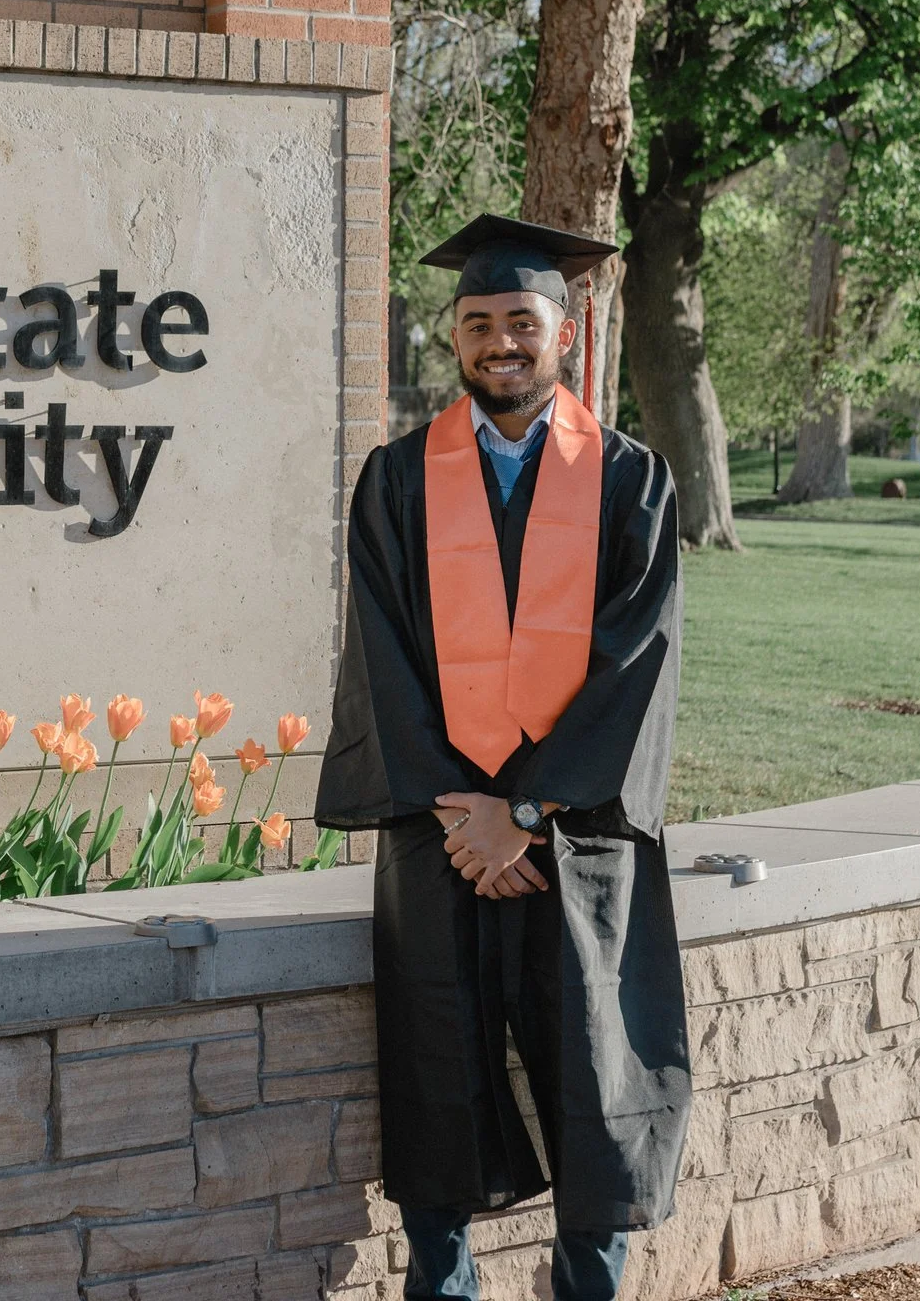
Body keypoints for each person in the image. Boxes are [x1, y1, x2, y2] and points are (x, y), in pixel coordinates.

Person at [315, 212, 688, 1301]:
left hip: (572, 831)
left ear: (562, 333)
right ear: (457, 338)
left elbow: (639, 657)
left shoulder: (630, 480)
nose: (498, 341)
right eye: (475, 322)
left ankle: (589, 1285)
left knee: (591, 1060)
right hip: (443, 830)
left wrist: (522, 811)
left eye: (519, 319)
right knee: (439, 1055)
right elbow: (378, 655)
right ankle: (441, 1286)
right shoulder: (396, 478)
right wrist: (458, 810)